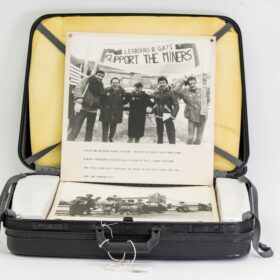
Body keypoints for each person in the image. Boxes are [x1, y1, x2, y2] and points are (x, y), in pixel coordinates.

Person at [68, 70, 105, 141]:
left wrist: (100, 104)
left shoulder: (101, 85)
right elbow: (79, 88)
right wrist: (79, 99)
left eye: (102, 76)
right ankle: (70, 141)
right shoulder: (87, 80)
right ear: (95, 74)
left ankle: (87, 144)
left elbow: (101, 96)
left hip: (93, 110)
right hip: (83, 108)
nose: (100, 77)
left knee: (89, 130)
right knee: (76, 128)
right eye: (99, 75)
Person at [174, 76, 210, 144]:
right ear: (188, 85)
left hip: (202, 116)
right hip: (192, 117)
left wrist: (205, 114)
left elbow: (206, 102)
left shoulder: (202, 90)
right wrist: (183, 81)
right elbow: (175, 90)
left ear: (196, 83)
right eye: (190, 84)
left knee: (199, 139)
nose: (192, 85)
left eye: (194, 83)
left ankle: (195, 152)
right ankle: (188, 151)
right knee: (190, 138)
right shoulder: (185, 91)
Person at [151, 76, 179, 144]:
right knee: (159, 132)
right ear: (158, 84)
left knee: (171, 132)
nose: (162, 84)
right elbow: (151, 100)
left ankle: (172, 146)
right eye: (160, 82)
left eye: (164, 82)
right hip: (158, 115)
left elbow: (176, 105)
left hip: (167, 115)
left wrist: (173, 115)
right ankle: (160, 145)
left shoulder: (170, 92)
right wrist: (154, 108)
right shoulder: (156, 92)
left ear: (166, 83)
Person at [99, 77, 126, 142]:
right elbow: (101, 100)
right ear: (111, 83)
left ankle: (110, 138)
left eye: (117, 83)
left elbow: (125, 100)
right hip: (106, 112)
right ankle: (104, 142)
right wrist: (103, 108)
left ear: (119, 84)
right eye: (113, 83)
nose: (115, 84)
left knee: (113, 129)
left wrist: (120, 105)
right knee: (105, 129)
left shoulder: (122, 92)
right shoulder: (106, 90)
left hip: (116, 113)